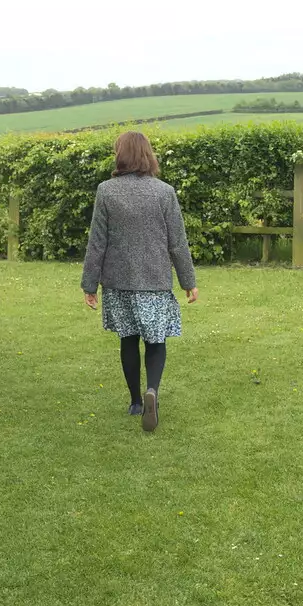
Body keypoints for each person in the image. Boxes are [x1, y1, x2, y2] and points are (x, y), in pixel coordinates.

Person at [81, 131, 198, 432]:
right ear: (148, 154)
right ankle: (153, 391)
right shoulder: (164, 192)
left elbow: (97, 243)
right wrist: (188, 281)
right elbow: (177, 243)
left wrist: (89, 285)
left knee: (128, 339)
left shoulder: (106, 191)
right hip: (155, 280)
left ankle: (135, 401)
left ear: (120, 154)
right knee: (156, 340)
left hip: (119, 282)